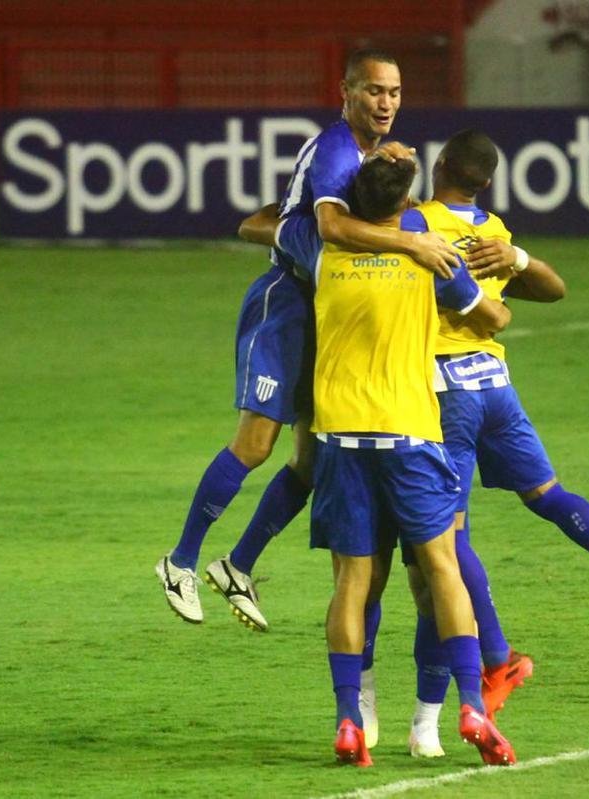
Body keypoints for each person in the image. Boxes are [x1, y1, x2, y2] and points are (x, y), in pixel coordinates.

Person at [154, 50, 459, 629]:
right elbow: (330, 226)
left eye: (394, 91)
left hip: (327, 311)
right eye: (374, 91)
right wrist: (414, 244)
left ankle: (238, 566)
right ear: (345, 92)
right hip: (286, 303)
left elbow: (289, 214)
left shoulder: (372, 154)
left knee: (314, 458)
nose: (386, 102)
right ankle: (181, 561)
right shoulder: (337, 149)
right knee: (256, 443)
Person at [394, 129, 589, 757]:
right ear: (486, 183)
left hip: (446, 393)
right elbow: (554, 289)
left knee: (447, 540)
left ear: (439, 166)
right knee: (547, 493)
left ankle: (497, 660)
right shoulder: (493, 231)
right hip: (498, 386)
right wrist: (513, 259)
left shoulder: (417, 222)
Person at [285, 149, 515, 766]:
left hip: (340, 442)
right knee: (442, 569)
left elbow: (271, 227)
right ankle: (470, 704)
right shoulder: (432, 256)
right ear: (407, 204)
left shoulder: (324, 251)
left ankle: (347, 722)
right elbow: (490, 315)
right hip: (411, 435)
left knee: (354, 584)